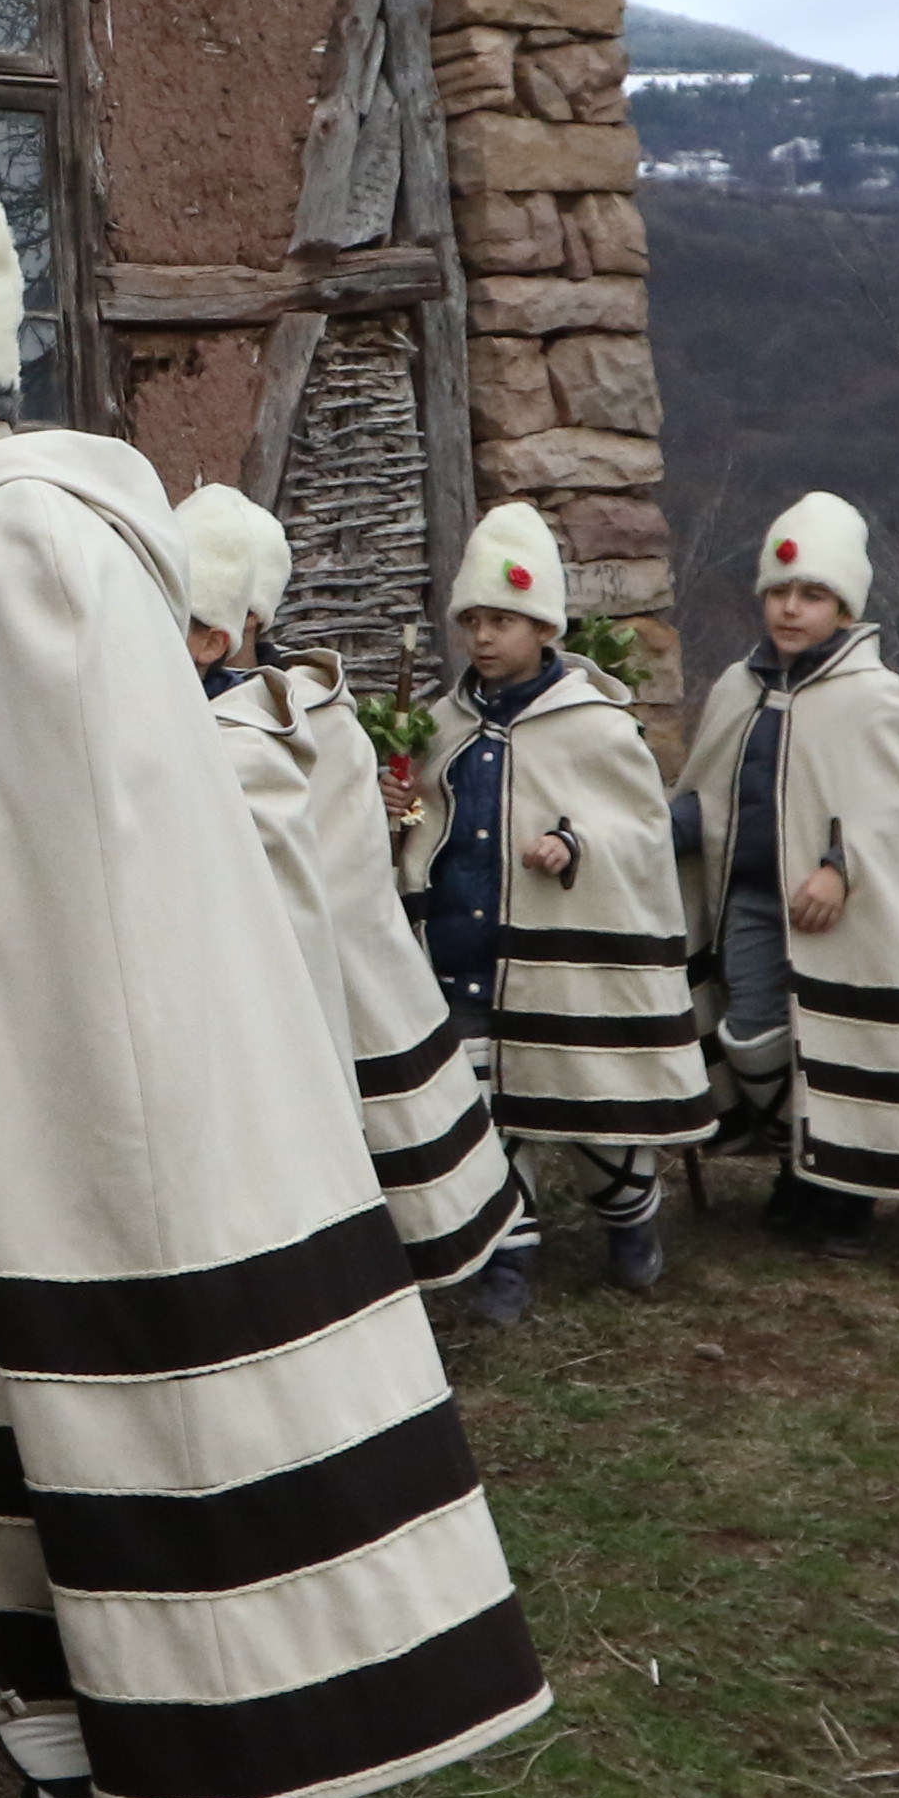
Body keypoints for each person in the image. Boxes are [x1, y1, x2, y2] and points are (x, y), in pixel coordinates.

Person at [0, 161, 548, 1798]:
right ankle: (95, 1788)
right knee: (13, 1445)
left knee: (157, 1437)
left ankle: (256, 1777)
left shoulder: (27, 544)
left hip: (81, 1116)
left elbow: (104, 842)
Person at [170, 483, 515, 1293]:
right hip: (223, 986)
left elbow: (340, 869)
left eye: (180, 619)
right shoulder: (182, 717)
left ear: (230, 630)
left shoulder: (314, 724)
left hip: (316, 976)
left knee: (338, 1147)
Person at [402, 505, 710, 1293]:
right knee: (482, 1115)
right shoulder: (441, 726)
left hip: (561, 959)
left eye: (501, 619)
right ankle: (507, 1255)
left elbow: (641, 831)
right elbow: (424, 822)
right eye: (472, 619)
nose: (482, 637)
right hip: (466, 956)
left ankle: (630, 1213)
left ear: (542, 626)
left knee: (588, 1103)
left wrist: (576, 843)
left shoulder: (596, 728)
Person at [675, 495, 899, 1244]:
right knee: (753, 1035)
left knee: (842, 1044)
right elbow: (707, 796)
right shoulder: (736, 688)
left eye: (812, 595)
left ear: (844, 607)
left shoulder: (877, 701)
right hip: (745, 899)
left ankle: (847, 1190)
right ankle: (795, 1159)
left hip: (838, 913)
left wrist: (842, 868)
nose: (790, 608)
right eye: (779, 592)